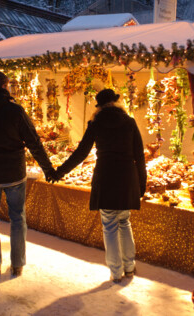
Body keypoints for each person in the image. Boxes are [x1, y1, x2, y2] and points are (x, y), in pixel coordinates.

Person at [0, 70, 55, 276]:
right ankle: (17, 264)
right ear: (5, 86)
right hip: (14, 173)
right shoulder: (15, 111)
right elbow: (33, 141)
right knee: (17, 218)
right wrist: (47, 168)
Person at [52, 88, 147, 283]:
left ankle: (116, 272)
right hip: (127, 177)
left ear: (99, 106)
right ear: (116, 102)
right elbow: (139, 155)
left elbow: (80, 153)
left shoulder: (96, 124)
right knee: (124, 222)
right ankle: (129, 267)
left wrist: (60, 171)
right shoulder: (129, 122)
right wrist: (141, 183)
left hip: (106, 177)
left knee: (110, 226)